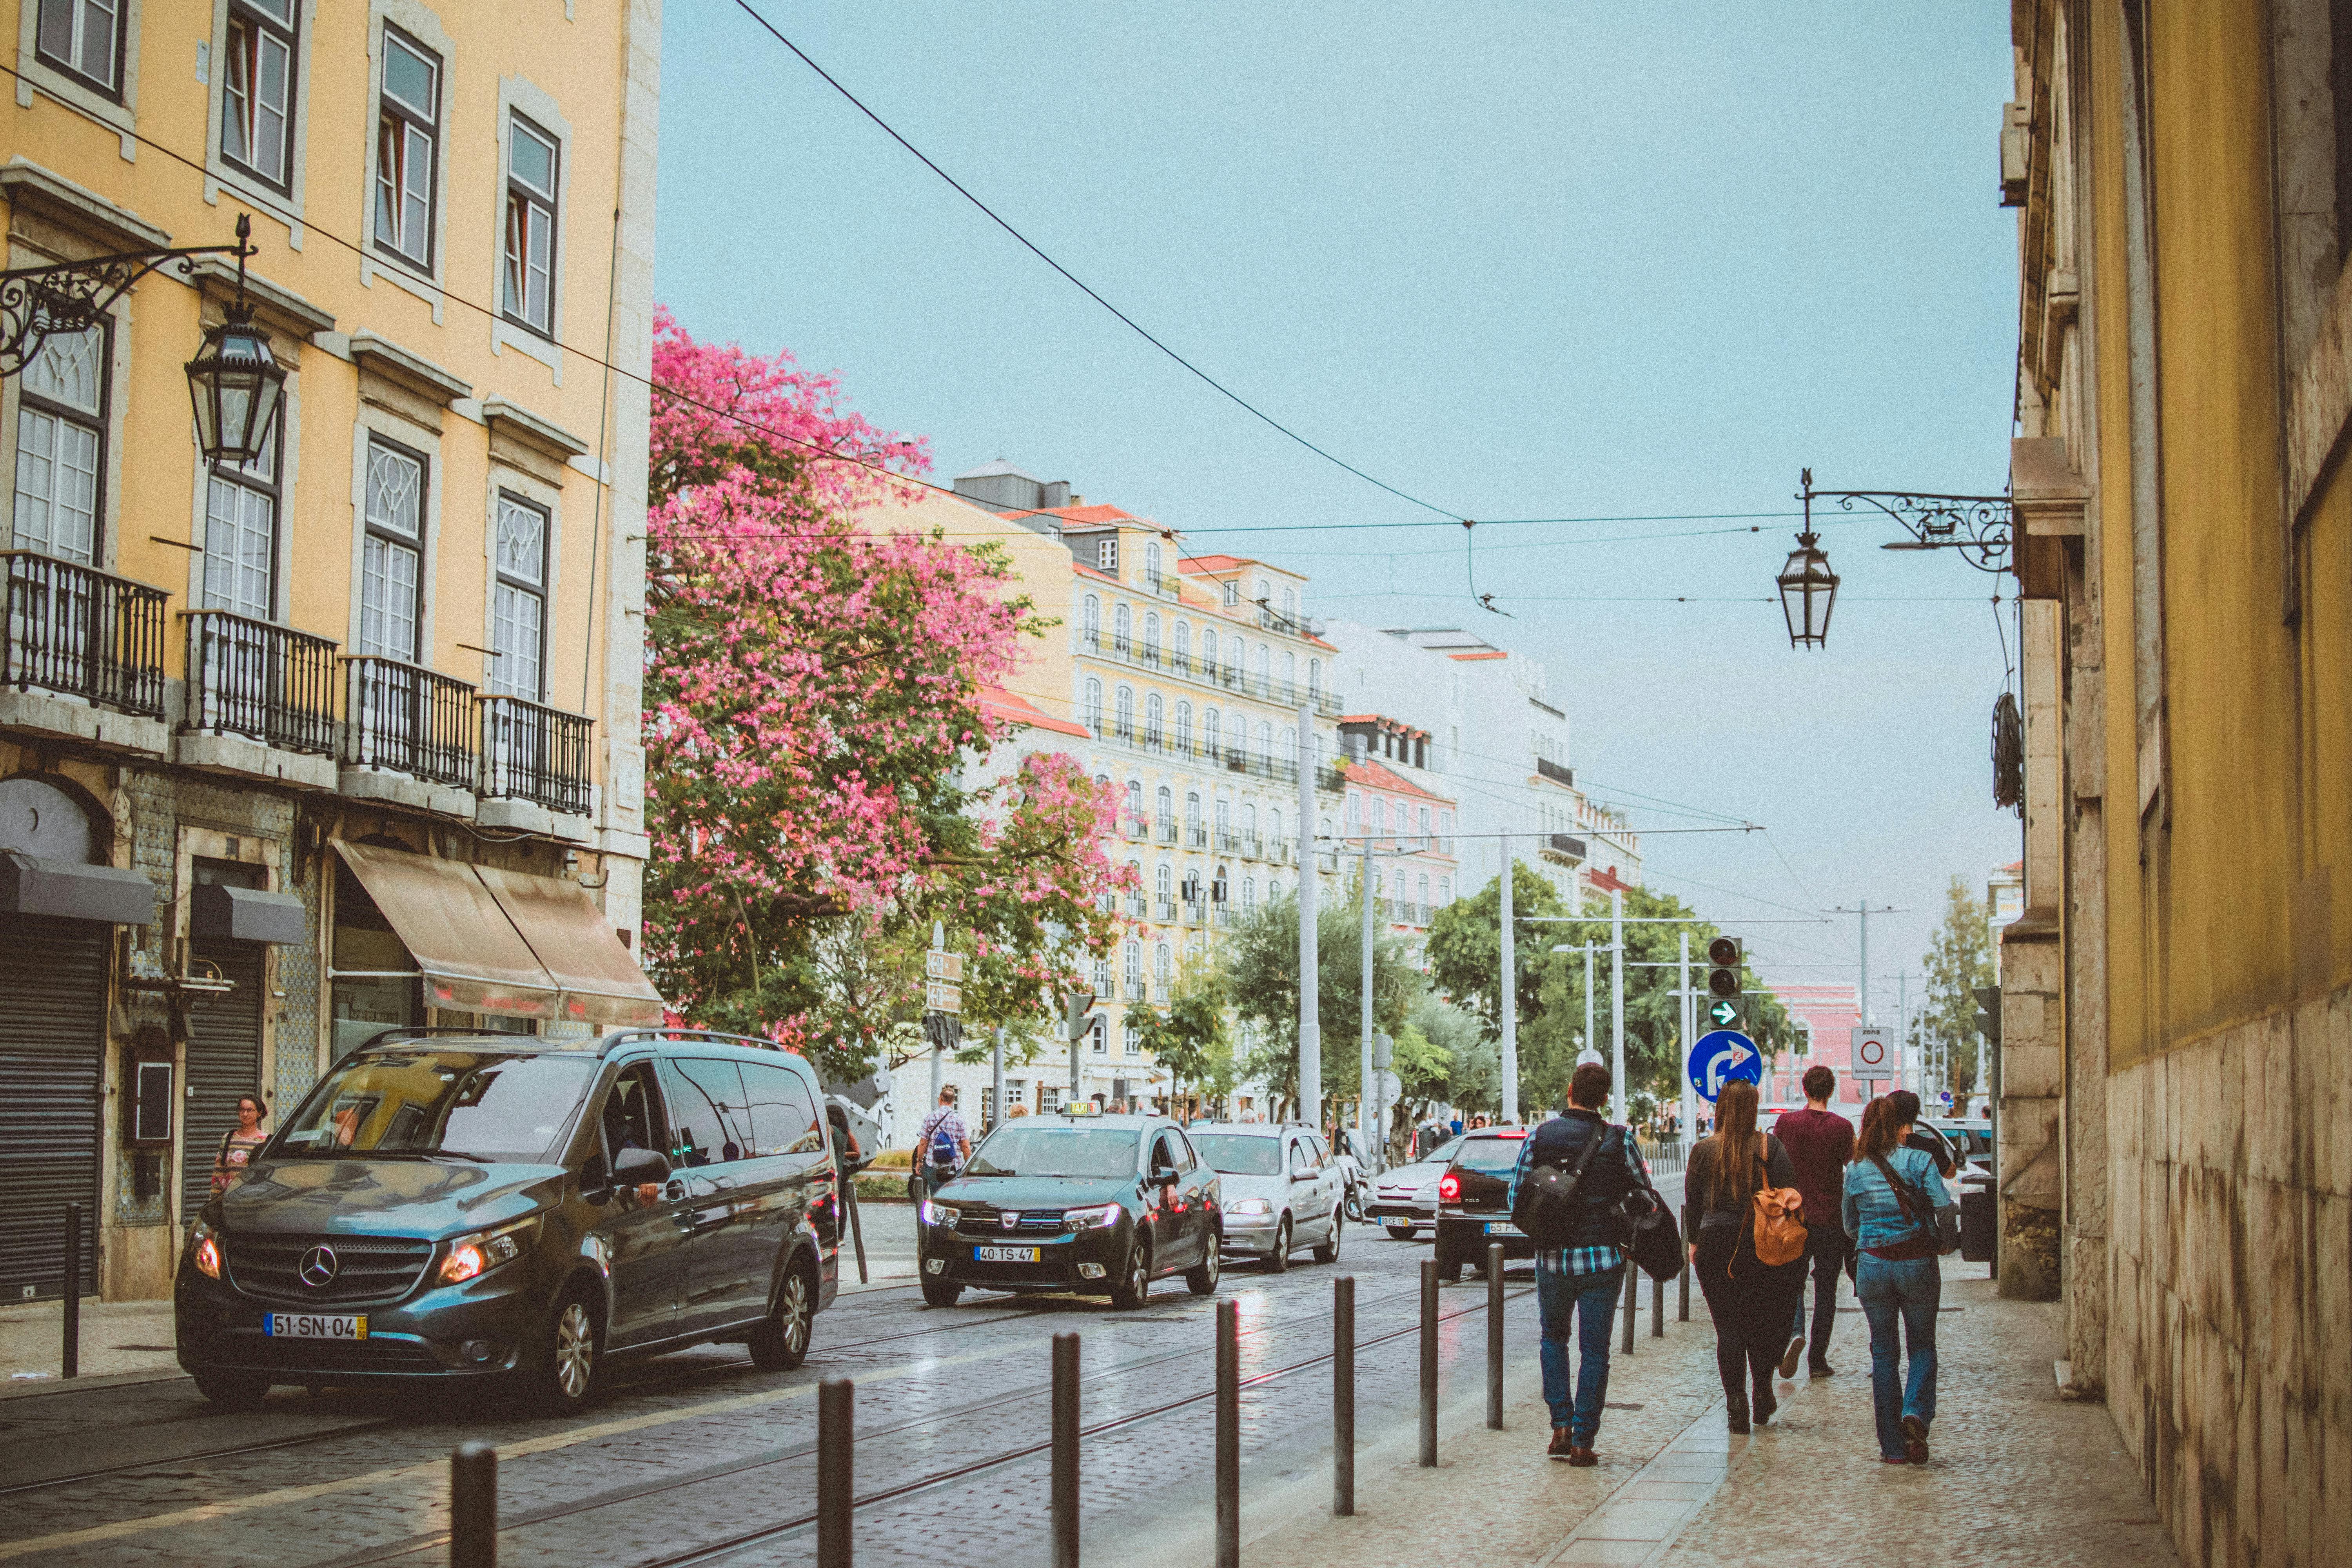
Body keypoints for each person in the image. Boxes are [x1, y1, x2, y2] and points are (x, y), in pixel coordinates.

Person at [1508, 1062, 1650, 1467]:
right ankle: (1585, 1441)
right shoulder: (1620, 1140)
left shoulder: (1541, 1136)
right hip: (1603, 1259)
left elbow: (1515, 1196)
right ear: (1604, 1098)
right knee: (1595, 1349)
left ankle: (1561, 1427)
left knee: (1553, 1338)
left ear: (1570, 1090)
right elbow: (1644, 1193)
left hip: (1553, 1259)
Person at [1682, 1079, 1804, 1432]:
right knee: (1762, 1323)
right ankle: (1763, 1391)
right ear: (1752, 1110)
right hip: (1760, 1243)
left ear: (1720, 1107)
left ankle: (1736, 1406)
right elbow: (1789, 1195)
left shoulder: (1703, 1150)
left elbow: (1693, 1205)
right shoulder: (1770, 1146)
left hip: (1715, 1243)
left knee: (1729, 1327)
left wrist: (1694, 1244)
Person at [1845, 1094, 1955, 1465]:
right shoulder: (1920, 1160)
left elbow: (1849, 1225)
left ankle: (1892, 1447)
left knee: (1884, 1353)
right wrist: (1946, 1242)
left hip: (1873, 1266)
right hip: (1916, 1262)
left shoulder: (1856, 1169)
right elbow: (1944, 1205)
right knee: (1922, 1346)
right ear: (1900, 1124)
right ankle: (1916, 1411)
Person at [1772, 1065, 1855, 1378]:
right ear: (1831, 1091)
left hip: (1793, 1219)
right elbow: (1853, 1169)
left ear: (1804, 1090)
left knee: (1791, 1283)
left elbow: (1774, 1163)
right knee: (1827, 1290)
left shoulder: (1786, 1123)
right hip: (1831, 1221)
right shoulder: (1843, 1128)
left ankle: (1794, 1332)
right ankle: (1818, 1361)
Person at [913, 1086, 970, 1201]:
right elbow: (965, 1146)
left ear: (940, 1099)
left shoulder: (930, 1118)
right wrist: (968, 1166)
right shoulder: (959, 1120)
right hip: (955, 1166)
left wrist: (919, 1162)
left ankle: (936, 1215)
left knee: (936, 1196)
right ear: (953, 1102)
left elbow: (923, 1144)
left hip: (933, 1165)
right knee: (953, 1198)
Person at [211, 1094, 270, 1198]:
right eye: (242, 1110)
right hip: (230, 1198)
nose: (245, 1114)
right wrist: (214, 1199)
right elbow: (219, 1172)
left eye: (250, 1110)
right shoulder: (228, 1138)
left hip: (253, 1197)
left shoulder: (266, 1141)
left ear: (259, 1113)